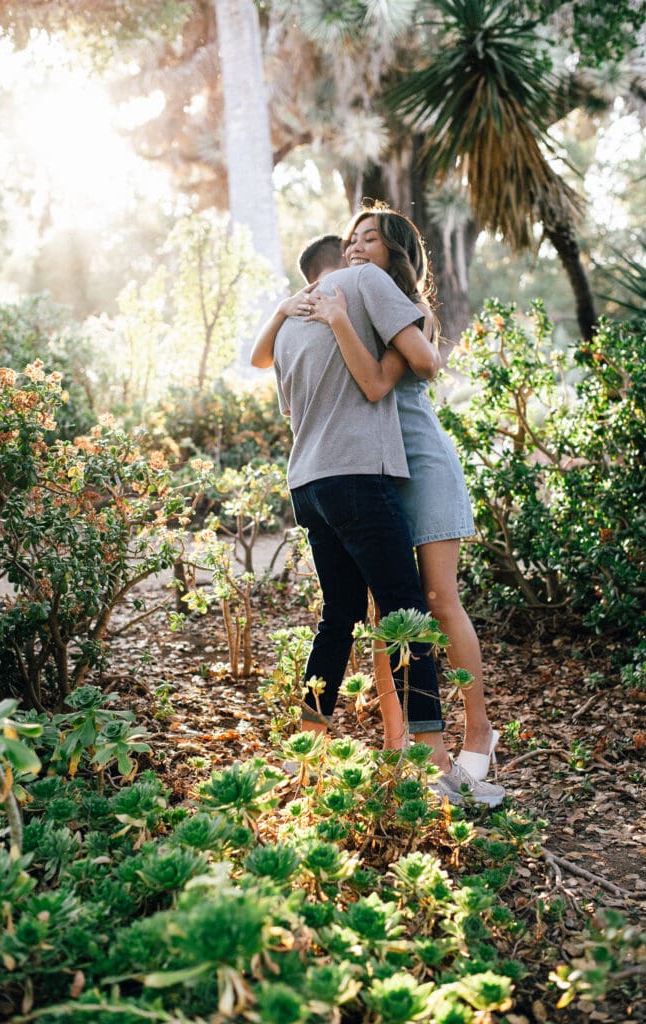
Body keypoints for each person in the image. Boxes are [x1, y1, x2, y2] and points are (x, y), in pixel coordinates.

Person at [251, 236, 505, 807]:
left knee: (338, 618)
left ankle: (307, 760)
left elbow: (290, 404)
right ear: (338, 270)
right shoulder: (363, 282)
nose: (360, 255)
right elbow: (411, 366)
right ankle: (436, 769)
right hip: (358, 476)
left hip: (308, 484)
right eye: (352, 249)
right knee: (407, 613)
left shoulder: (291, 326)